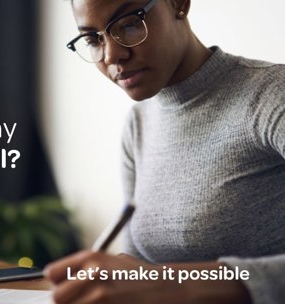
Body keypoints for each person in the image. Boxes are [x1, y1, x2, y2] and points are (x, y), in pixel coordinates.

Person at [43, 0, 285, 303]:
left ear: (178, 4)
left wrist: (176, 284)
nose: (112, 55)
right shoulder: (138, 123)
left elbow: (160, 281)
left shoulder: (274, 95)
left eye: (129, 23)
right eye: (93, 39)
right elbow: (137, 263)